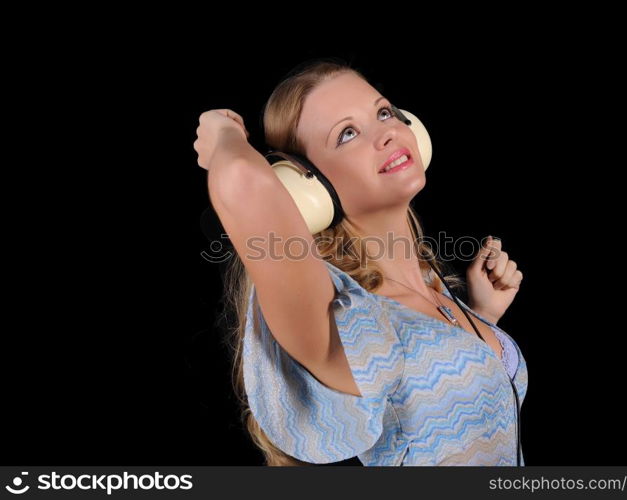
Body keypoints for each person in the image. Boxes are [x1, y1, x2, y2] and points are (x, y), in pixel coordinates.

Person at [194, 58, 527, 466]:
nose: (387, 133)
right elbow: (244, 184)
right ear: (305, 188)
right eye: (347, 133)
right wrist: (222, 134)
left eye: (384, 112)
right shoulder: (343, 314)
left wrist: (480, 319)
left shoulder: (438, 293)